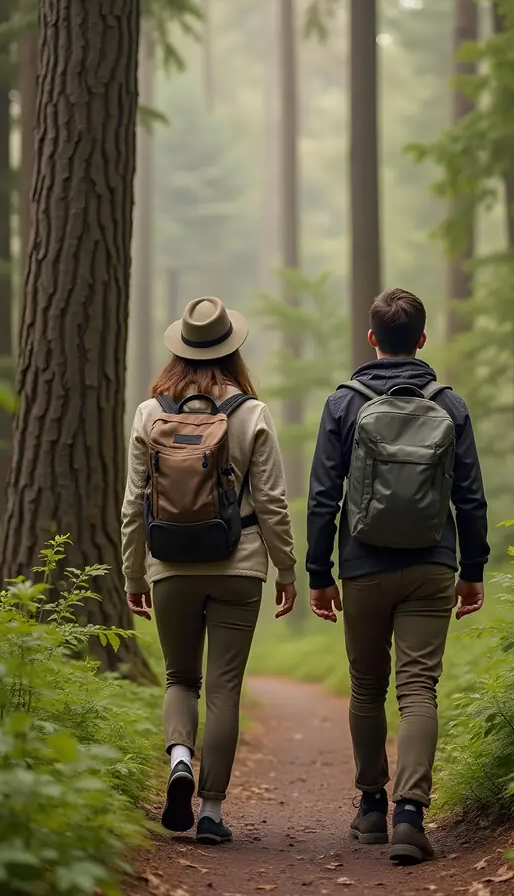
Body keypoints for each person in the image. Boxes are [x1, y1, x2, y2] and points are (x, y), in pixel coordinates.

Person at [306, 288, 489, 865]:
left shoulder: (344, 403)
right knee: (418, 692)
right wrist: (473, 570)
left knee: (366, 688)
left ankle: (370, 808)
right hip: (432, 564)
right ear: (423, 339)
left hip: (361, 567)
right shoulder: (449, 405)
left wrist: (318, 573)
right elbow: (470, 498)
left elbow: (322, 497)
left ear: (372, 339)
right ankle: (411, 814)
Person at [121, 297, 297, 844]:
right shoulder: (251, 413)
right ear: (233, 350)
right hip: (238, 565)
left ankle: (178, 758)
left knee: (179, 678)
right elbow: (271, 502)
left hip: (169, 564)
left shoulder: (150, 413)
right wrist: (287, 570)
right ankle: (213, 811)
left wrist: (132, 575)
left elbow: (133, 505)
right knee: (224, 689)